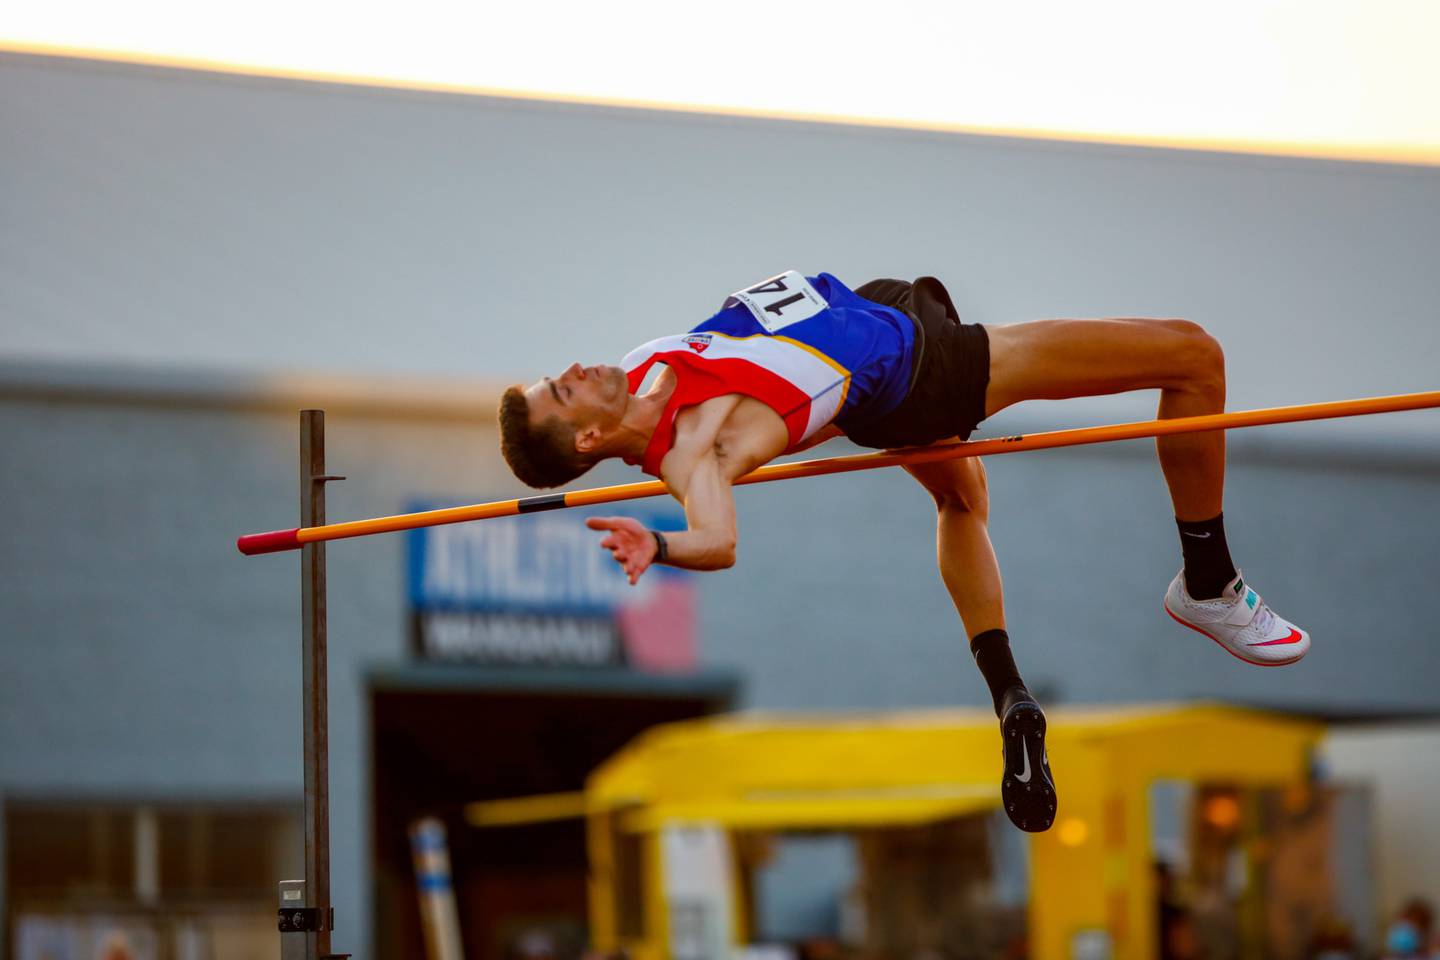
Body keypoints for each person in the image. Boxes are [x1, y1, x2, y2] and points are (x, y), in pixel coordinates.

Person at [496, 270, 1311, 832]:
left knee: (964, 497)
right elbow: (719, 539)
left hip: (878, 331)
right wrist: (662, 545)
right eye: (563, 391)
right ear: (593, 436)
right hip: (924, 371)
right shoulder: (697, 454)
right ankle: (1208, 581)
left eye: (556, 375)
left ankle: (1009, 693)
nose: (572, 369)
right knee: (1195, 356)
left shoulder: (638, 372)